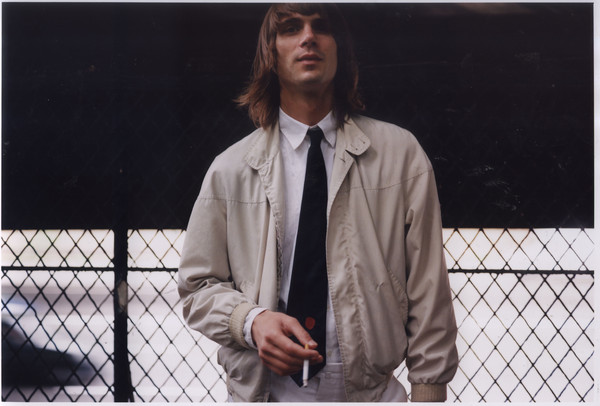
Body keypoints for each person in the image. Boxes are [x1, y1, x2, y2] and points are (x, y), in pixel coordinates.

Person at [178, 3, 458, 402]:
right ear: (270, 53)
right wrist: (252, 321)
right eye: (292, 28)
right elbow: (197, 287)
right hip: (267, 392)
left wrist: (428, 392)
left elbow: (429, 288)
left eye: (321, 27)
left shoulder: (400, 156)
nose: (308, 37)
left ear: (340, 48)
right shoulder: (231, 169)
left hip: (372, 393)